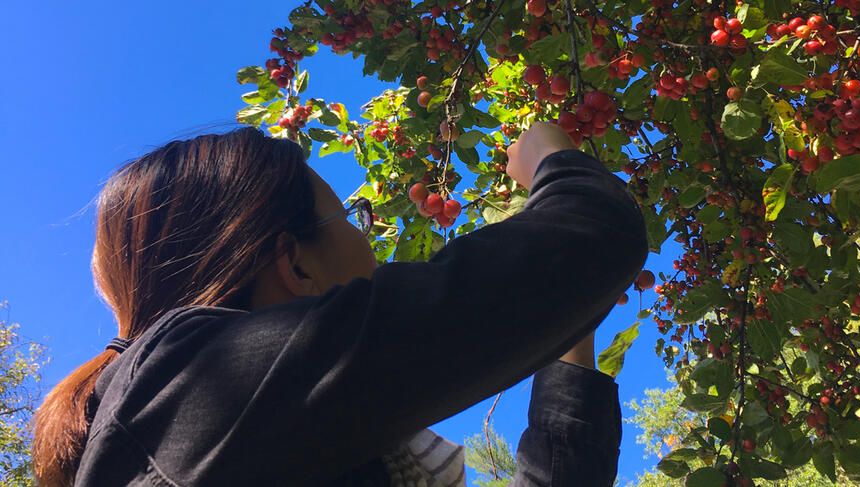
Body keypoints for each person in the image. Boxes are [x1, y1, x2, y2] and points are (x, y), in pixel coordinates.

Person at [32, 121, 648, 486]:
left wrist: (568, 329)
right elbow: (596, 236)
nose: (369, 241)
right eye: (348, 217)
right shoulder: (188, 385)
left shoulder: (250, 433)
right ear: (295, 262)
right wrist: (553, 162)